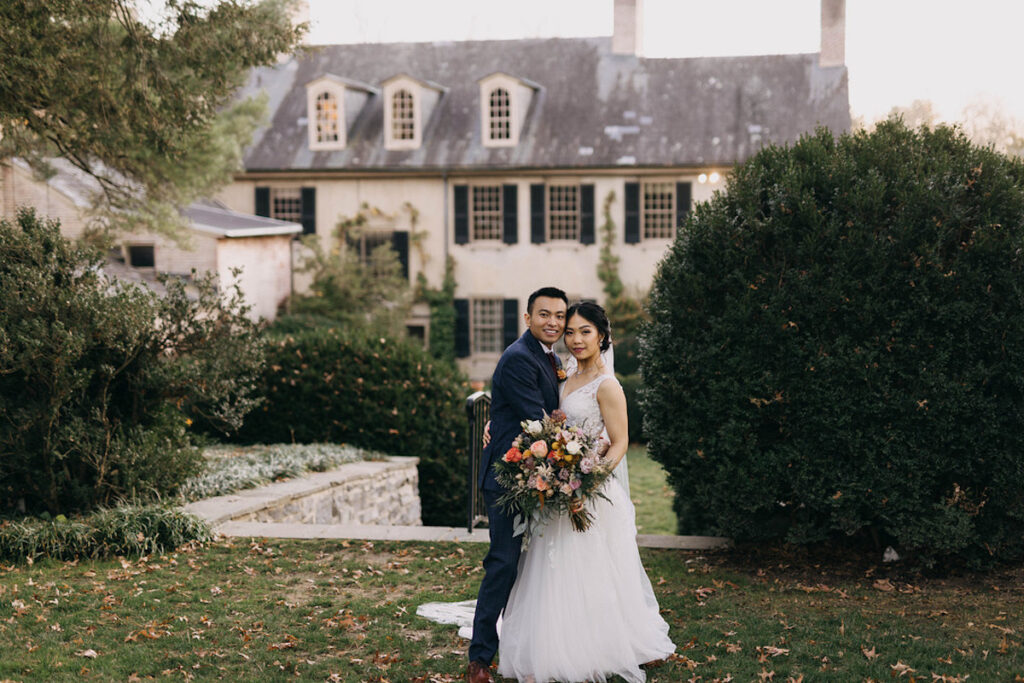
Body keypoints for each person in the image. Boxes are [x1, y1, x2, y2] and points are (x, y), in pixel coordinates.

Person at [497, 301, 676, 683]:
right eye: (571, 332)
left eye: (585, 332)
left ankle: (595, 644)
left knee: (592, 569)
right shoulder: (564, 378)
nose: (576, 339)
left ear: (601, 336)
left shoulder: (608, 386)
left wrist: (587, 483)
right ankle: (550, 641)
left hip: (591, 490)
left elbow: (621, 442)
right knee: (552, 568)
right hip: (561, 487)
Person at [467, 286, 569, 683]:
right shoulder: (518, 358)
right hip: (507, 479)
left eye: (559, 316)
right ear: (527, 318)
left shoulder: (548, 355)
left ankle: (525, 644)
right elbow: (539, 418)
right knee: (503, 564)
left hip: (535, 474)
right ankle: (479, 659)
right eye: (545, 314)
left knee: (534, 567)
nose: (554, 323)